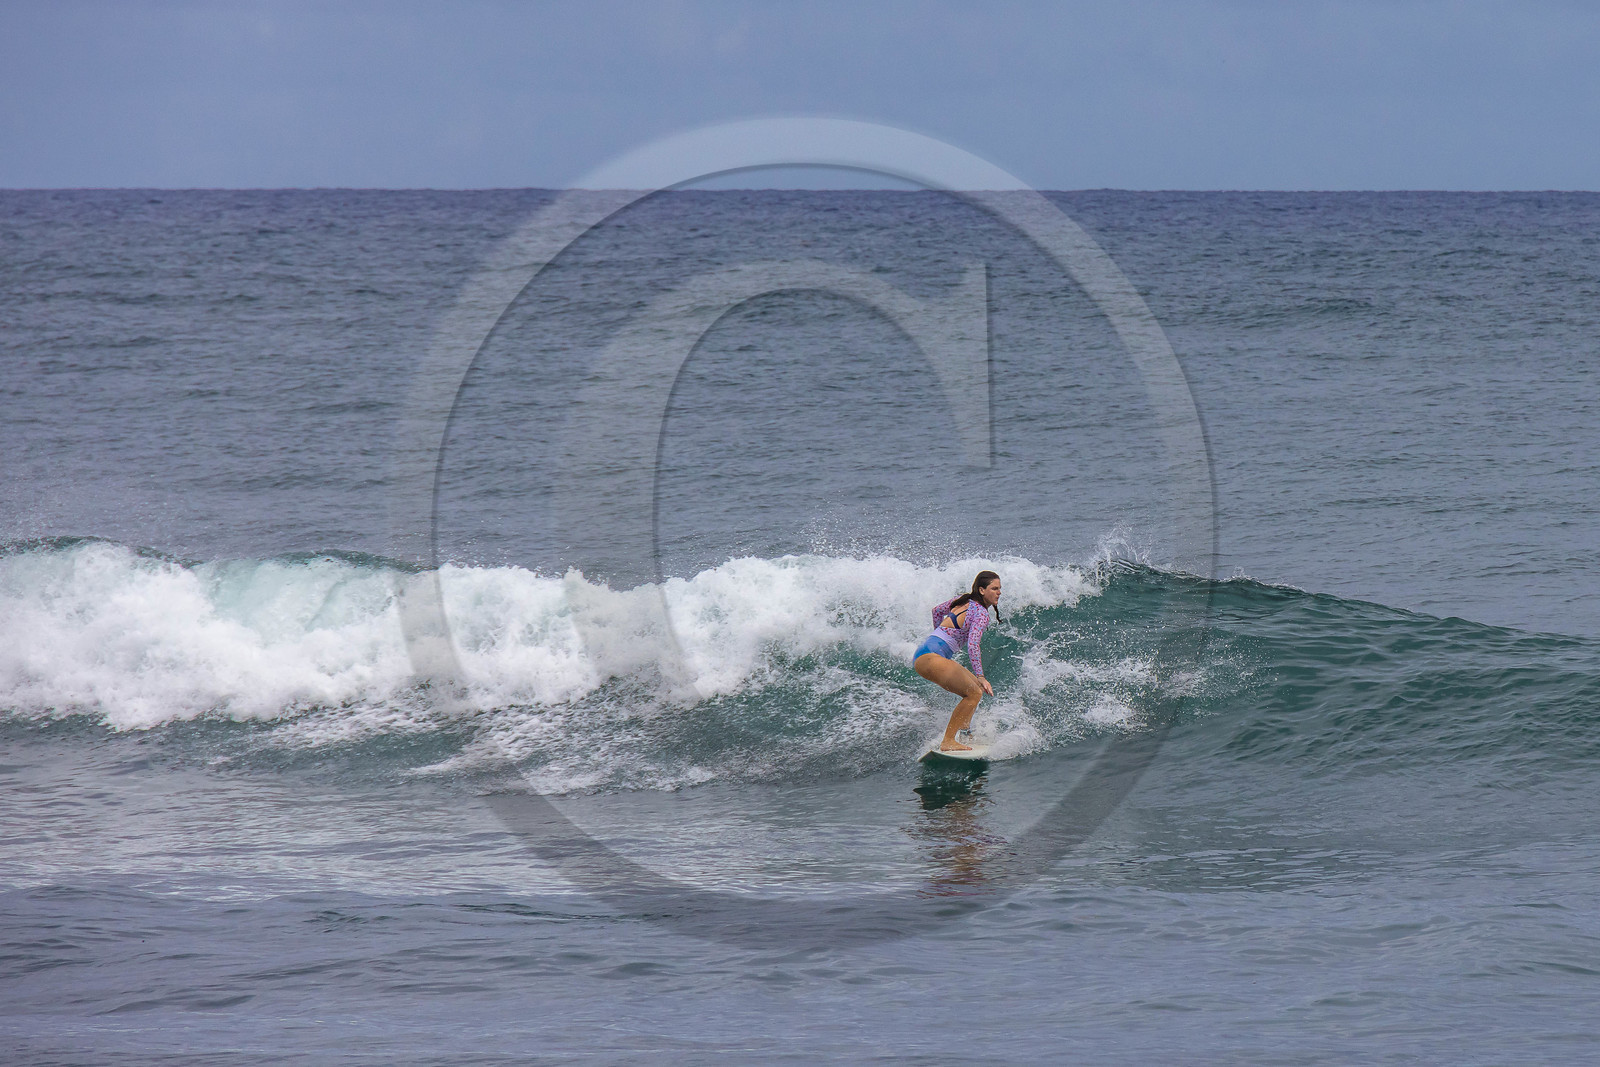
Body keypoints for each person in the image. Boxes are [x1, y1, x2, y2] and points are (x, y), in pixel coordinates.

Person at [913, 570, 1001, 752]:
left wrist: (939, 634)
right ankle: (948, 741)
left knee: (975, 689)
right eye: (994, 588)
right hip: (932, 657)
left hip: (924, 653)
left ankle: (965, 733)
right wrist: (981, 675)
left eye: (1000, 588)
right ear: (982, 590)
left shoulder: (963, 600)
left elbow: (936, 611)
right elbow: (973, 645)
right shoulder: (982, 614)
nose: (999, 592)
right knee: (975, 692)